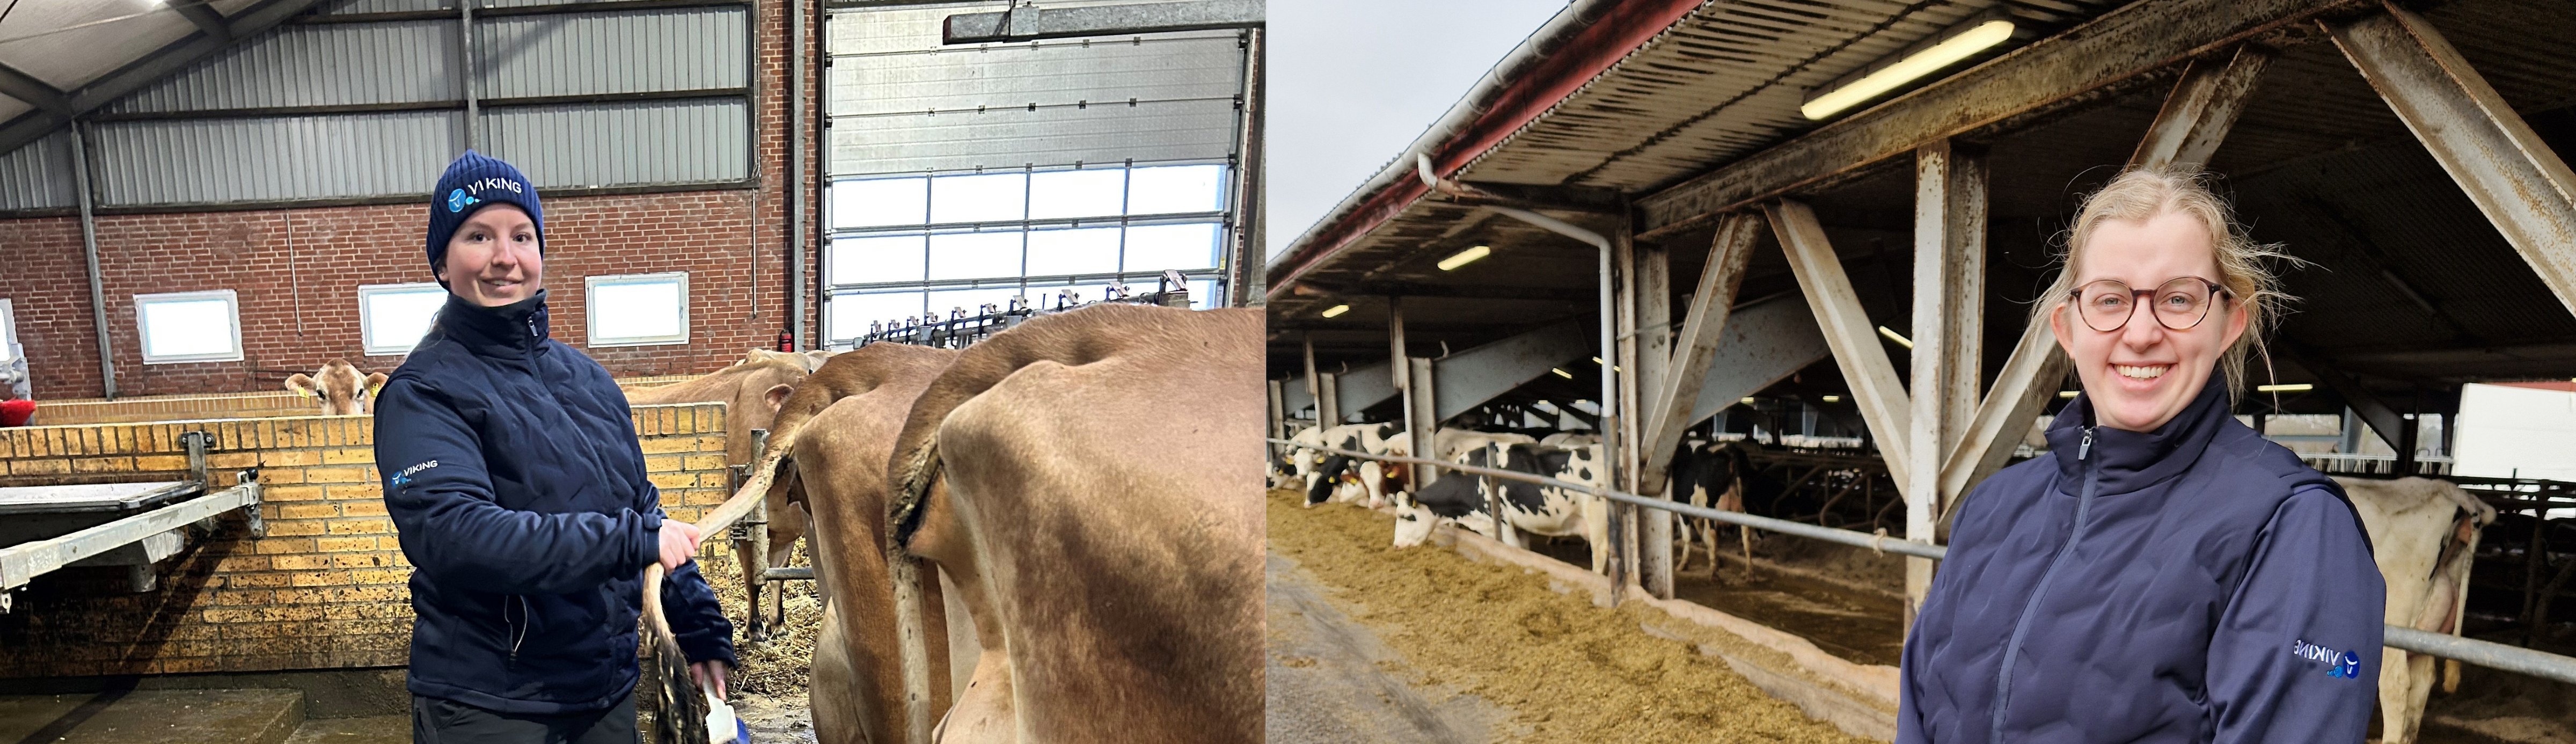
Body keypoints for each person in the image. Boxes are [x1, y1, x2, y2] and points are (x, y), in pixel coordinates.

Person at [1897, 168, 2381, 743]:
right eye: (2110, 299)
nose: (2142, 332)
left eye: (2178, 299)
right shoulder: (1992, 509)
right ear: (2068, 329)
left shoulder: (2292, 527)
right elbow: (1919, 713)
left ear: (2230, 323)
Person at [376, 151, 735, 743]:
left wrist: (696, 624)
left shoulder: (588, 380)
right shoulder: (424, 391)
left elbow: (643, 509)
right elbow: (456, 535)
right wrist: (631, 540)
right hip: (493, 706)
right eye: (478, 236)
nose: (505, 257)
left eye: (521, 236)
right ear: (442, 262)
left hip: (604, 693)